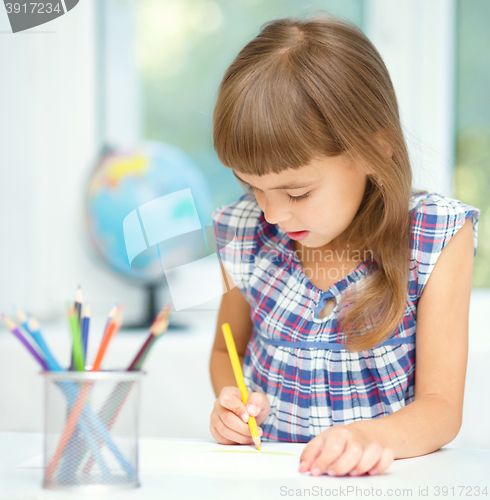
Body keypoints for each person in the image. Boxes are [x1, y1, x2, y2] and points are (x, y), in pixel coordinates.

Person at [208, 15, 480, 477]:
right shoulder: (242, 229)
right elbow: (224, 351)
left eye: (297, 193)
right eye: (252, 187)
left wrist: (367, 438)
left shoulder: (436, 237)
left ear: (375, 151)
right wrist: (231, 402)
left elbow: (441, 408)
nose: (271, 214)